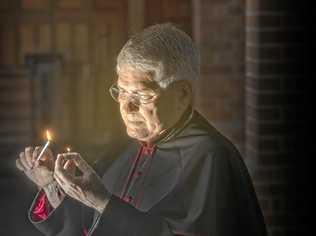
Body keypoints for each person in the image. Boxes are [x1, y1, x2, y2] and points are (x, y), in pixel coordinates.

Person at [16, 23, 267, 236]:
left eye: (142, 95)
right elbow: (87, 226)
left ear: (181, 94)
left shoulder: (212, 157)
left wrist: (104, 202)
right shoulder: (124, 145)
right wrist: (53, 187)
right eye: (121, 92)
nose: (127, 107)